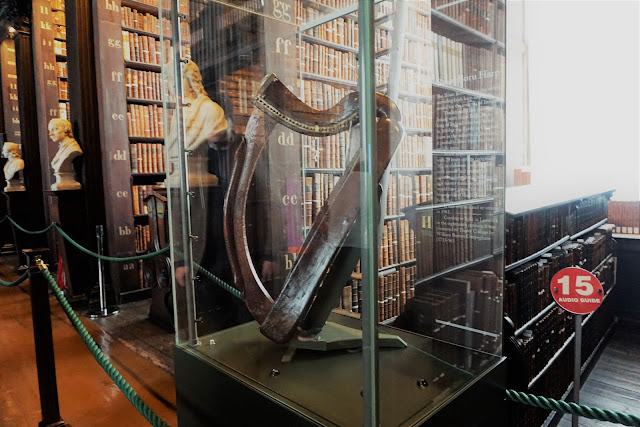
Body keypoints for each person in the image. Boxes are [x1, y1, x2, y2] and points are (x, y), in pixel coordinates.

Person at [49, 118, 82, 190]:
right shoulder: (61, 149)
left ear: (65, 129)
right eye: (50, 130)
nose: (51, 133)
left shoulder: (73, 148)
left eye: (55, 129)